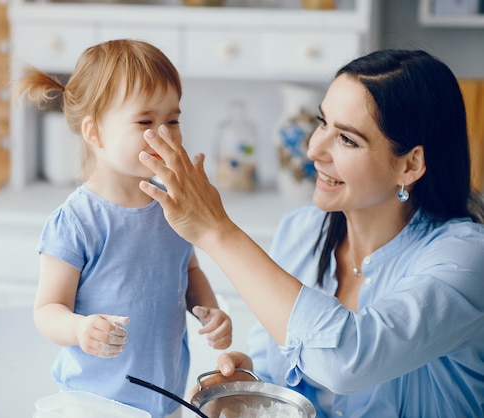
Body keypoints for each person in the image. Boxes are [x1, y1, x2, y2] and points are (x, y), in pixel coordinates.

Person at [137, 49, 484, 417]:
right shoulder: (301, 230)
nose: (313, 149)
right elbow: (281, 368)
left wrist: (216, 230)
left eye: (347, 139)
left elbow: (346, 358)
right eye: (323, 122)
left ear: (410, 164)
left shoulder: (466, 259)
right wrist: (250, 384)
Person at [15, 39, 232, 418]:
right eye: (146, 122)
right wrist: (80, 329)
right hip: (92, 404)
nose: (164, 134)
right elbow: (48, 310)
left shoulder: (175, 204)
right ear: (95, 133)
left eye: (173, 120)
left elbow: (189, 268)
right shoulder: (79, 221)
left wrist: (209, 311)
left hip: (165, 400)